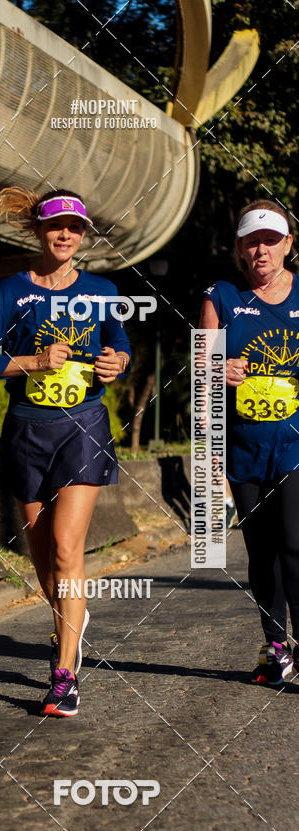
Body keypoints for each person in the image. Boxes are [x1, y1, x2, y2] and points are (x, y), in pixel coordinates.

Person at [0, 187, 131, 716]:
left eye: (75, 228)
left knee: (65, 548)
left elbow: (121, 346)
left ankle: (64, 676)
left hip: (83, 427)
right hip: (26, 430)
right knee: (44, 562)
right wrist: (35, 361)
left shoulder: (102, 290)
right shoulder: (11, 290)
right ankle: (69, 623)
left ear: (83, 235)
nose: (66, 235)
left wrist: (117, 363)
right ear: (38, 230)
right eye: (56, 225)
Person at [199, 200, 299, 686]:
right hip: (243, 446)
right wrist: (218, 369)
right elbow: (201, 368)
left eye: (271, 240)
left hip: (295, 444)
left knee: (295, 543)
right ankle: (275, 647)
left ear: (288, 244)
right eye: (252, 241)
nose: (262, 250)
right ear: (240, 248)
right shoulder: (221, 296)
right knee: (261, 551)